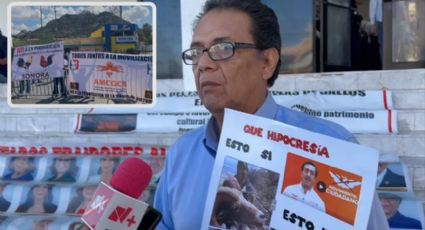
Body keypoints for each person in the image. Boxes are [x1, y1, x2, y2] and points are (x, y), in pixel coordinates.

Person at [153, 0, 388, 229]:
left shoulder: (336, 148)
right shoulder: (181, 154)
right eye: (196, 52)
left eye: (223, 49)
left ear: (267, 62)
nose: (203, 63)